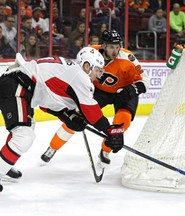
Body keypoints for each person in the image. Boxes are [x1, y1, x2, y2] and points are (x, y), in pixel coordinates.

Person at [0, 47, 124, 188]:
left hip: (19, 86)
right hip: (17, 87)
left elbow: (47, 102)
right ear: (87, 66)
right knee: (24, 136)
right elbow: (92, 112)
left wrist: (67, 116)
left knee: (26, 129)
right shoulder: (80, 76)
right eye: (97, 70)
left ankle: (3, 163)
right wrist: (109, 130)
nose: (98, 75)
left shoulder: (69, 73)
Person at [40, 30, 149, 173]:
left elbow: (144, 81)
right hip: (99, 91)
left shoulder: (128, 58)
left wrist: (132, 90)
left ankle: (105, 150)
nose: (115, 51)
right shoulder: (91, 53)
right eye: (111, 47)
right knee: (76, 117)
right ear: (103, 45)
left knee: (122, 122)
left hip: (124, 93)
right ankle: (53, 147)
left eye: (117, 47)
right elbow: (79, 71)